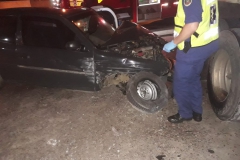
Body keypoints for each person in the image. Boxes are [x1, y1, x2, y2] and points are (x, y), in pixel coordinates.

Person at [163, 0, 219, 123]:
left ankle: (185, 113)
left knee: (180, 83)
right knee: (193, 78)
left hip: (192, 49)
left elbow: (192, 25)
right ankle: (197, 111)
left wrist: (174, 42)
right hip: (206, 45)